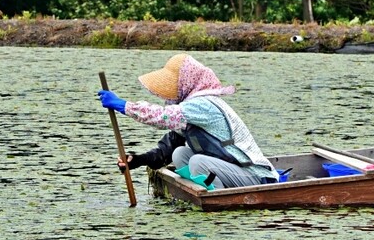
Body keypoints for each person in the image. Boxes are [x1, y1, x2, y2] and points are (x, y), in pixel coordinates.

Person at [97, 53, 278, 189]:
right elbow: (167, 149)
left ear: (188, 82)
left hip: (255, 176)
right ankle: (203, 193)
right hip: (230, 170)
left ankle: (217, 201)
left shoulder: (203, 105)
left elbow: (162, 116)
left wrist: (124, 106)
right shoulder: (188, 112)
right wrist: (138, 160)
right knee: (180, 154)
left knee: (198, 162)